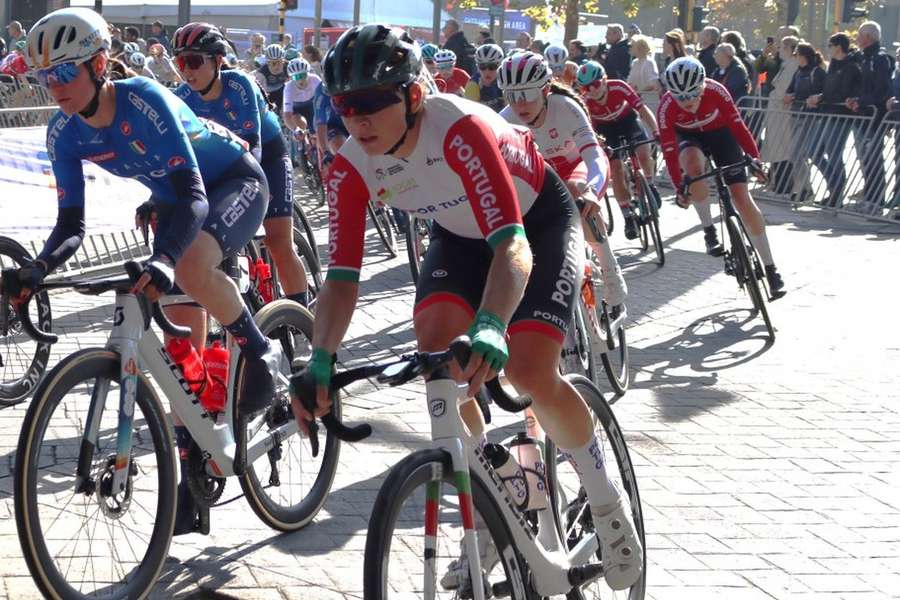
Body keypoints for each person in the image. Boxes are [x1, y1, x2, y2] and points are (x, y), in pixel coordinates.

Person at [290, 25, 643, 592]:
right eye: (344, 105)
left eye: (372, 102)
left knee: (528, 369)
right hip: (458, 236)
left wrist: (492, 324)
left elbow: (513, 247)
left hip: (535, 224)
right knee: (436, 355)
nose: (357, 118)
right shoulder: (350, 165)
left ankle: (607, 503)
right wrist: (321, 360)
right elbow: (340, 278)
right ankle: (492, 495)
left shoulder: (460, 129)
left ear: (411, 95)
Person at [18, 7, 280, 537]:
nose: (55, 86)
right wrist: (36, 269)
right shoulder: (63, 131)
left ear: (98, 64)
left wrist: (164, 259)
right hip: (177, 199)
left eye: (65, 72)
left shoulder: (145, 100)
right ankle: (195, 473)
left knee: (187, 266)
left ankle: (261, 350)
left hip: (232, 181)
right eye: (45, 76)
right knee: (179, 350)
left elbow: (193, 193)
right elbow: (71, 221)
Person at [173, 22, 310, 314]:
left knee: (277, 241)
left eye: (194, 61)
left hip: (266, 156)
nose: (187, 70)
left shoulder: (239, 85)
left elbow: (254, 147)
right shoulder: (182, 98)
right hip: (221, 164)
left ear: (218, 60)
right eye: (180, 62)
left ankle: (304, 316)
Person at [498, 52, 628, 310]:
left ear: (545, 89)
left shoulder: (565, 107)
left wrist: (593, 190)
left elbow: (593, 155)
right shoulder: (504, 121)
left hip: (576, 166)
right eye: (512, 96)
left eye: (527, 94)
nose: (520, 104)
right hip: (541, 176)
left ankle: (610, 270)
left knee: (577, 193)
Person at [659, 57, 785, 294]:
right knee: (693, 168)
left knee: (742, 199)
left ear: (702, 86)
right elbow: (668, 149)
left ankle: (770, 267)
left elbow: (739, 127)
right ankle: (709, 230)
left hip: (721, 135)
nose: (686, 102)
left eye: (691, 94)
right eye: (680, 97)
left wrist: (754, 158)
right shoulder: (666, 107)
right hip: (689, 138)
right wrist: (679, 187)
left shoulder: (717, 91)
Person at [577, 61, 661, 241]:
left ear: (605, 80)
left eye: (596, 84)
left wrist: (656, 131)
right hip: (605, 130)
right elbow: (589, 131)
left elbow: (643, 110)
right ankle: (627, 216)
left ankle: (649, 184)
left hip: (628, 121)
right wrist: (601, 146)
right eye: (586, 88)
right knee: (615, 168)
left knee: (644, 153)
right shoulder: (585, 102)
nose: (592, 90)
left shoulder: (619, 87)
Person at [805, 32, 861, 207]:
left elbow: (843, 92)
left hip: (840, 115)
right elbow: (829, 88)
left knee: (834, 153)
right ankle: (834, 186)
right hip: (827, 112)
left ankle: (837, 193)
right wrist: (819, 97)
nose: (828, 49)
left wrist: (821, 97)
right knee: (814, 150)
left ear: (838, 46)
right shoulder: (834, 65)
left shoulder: (851, 66)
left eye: (830, 45)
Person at [846, 21, 893, 211]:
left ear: (868, 37)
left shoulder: (879, 59)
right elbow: (865, 88)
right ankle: (869, 196)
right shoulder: (864, 58)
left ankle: (876, 201)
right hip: (864, 115)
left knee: (873, 159)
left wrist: (862, 101)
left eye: (859, 35)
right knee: (865, 159)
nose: (856, 38)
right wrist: (855, 99)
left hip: (875, 117)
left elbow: (882, 90)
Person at [784, 42, 826, 203]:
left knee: (798, 152)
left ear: (804, 56)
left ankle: (806, 188)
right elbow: (790, 90)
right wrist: (789, 96)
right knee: (796, 154)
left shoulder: (818, 72)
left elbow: (822, 92)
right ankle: (804, 187)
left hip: (810, 117)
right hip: (795, 115)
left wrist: (798, 97)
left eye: (797, 55)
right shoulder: (798, 72)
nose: (796, 58)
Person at [760, 36, 799, 195]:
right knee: (775, 148)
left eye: (782, 47)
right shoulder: (784, 65)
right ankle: (776, 183)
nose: (779, 50)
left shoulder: (792, 65)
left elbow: (782, 89)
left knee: (782, 149)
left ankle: (784, 186)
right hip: (775, 112)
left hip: (782, 113)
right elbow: (762, 70)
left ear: (790, 49)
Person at [465, 44, 505, 112]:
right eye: (482, 67)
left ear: (500, 66)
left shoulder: (506, 80)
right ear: (477, 67)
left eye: (492, 67)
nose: (487, 71)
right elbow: (471, 112)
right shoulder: (473, 84)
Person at [254, 43, 289, 114]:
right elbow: (259, 93)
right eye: (273, 63)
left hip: (282, 91)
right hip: (267, 93)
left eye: (279, 62)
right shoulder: (262, 73)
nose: (276, 66)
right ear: (268, 63)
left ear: (283, 61)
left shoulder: (288, 67)